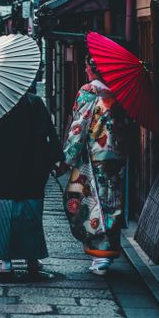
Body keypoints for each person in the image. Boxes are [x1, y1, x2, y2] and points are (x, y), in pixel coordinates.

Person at [56, 55, 128, 276]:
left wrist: (66, 158)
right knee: (110, 202)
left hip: (92, 157)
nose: (86, 70)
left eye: (87, 67)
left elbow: (79, 126)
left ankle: (99, 256)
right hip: (114, 156)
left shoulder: (89, 91)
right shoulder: (116, 92)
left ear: (93, 69)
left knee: (89, 202)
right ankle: (104, 254)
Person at [0, 86, 62, 273]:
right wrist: (53, 159)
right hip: (32, 168)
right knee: (31, 214)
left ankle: (6, 262)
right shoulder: (35, 102)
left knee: (3, 215)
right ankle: (32, 259)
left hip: (3, 170)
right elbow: (49, 133)